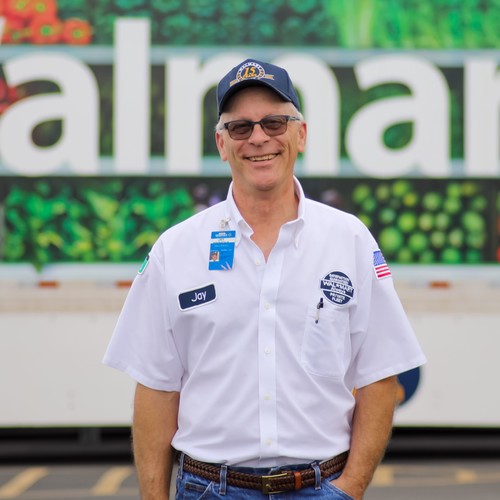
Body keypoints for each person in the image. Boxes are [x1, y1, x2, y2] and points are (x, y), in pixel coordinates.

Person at [103, 58, 426, 499]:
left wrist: (349, 489)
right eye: (241, 128)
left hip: (321, 487)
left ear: (301, 134)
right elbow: (157, 389)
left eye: (275, 122)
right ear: (221, 143)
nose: (259, 138)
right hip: (209, 489)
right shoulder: (176, 249)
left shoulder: (348, 240)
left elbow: (379, 376)